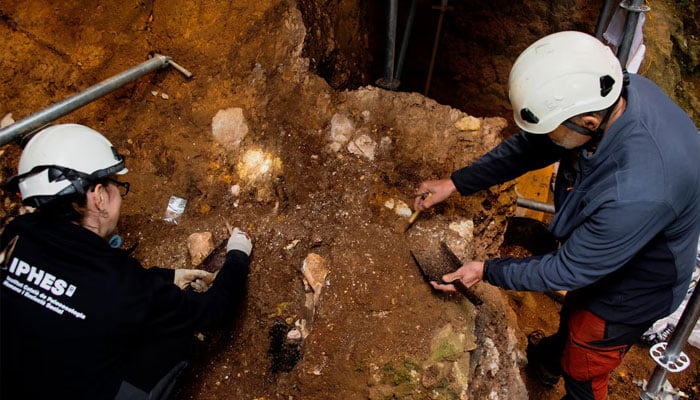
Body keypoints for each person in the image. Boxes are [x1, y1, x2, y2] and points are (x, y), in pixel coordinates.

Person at [413, 31, 700, 400]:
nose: (546, 136)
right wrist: (455, 183)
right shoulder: (611, 93)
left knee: (587, 356)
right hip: (617, 242)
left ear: (590, 125)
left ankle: (573, 381)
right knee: (576, 315)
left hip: (639, 285)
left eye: (552, 129)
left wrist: (485, 270)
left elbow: (567, 269)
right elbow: (530, 148)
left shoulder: (635, 192)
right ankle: (550, 359)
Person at [0, 124, 253, 400]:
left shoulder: (12, 237)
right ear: (98, 197)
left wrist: (167, 277)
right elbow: (213, 310)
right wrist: (238, 254)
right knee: (176, 341)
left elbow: (79, 287)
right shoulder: (120, 285)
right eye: (115, 185)